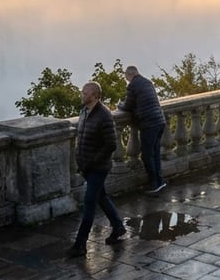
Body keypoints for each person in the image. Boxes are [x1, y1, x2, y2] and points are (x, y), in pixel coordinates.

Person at [67, 81, 127, 257]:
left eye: (85, 93)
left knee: (89, 203)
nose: (82, 95)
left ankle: (80, 244)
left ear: (94, 95)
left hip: (98, 168)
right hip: (86, 166)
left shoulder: (104, 115)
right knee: (101, 197)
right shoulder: (84, 111)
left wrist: (93, 162)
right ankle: (118, 226)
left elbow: (111, 144)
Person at [119, 65, 168, 193]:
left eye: (127, 78)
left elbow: (127, 105)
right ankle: (160, 181)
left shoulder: (133, 85)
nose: (127, 81)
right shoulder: (147, 82)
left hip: (149, 123)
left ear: (129, 75)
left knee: (147, 155)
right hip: (160, 120)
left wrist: (119, 105)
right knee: (155, 152)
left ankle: (154, 183)